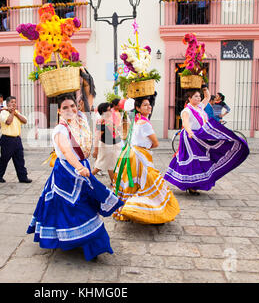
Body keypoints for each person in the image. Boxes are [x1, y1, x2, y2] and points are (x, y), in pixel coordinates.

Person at [27, 94, 124, 261]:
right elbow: (65, 150)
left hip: (81, 169)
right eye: (65, 107)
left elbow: (85, 104)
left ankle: (80, 240)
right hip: (67, 172)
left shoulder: (78, 122)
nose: (70, 110)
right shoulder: (60, 129)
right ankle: (89, 242)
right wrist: (79, 167)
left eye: (72, 106)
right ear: (58, 111)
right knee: (74, 207)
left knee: (80, 204)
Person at [164, 88, 249, 195]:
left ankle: (193, 184)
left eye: (199, 96)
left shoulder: (200, 107)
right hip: (190, 137)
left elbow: (207, 97)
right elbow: (185, 123)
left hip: (200, 136)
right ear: (189, 98)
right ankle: (192, 186)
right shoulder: (186, 111)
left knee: (204, 158)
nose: (198, 98)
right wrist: (190, 132)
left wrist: (204, 88)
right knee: (194, 160)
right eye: (195, 96)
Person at [112, 96, 180, 224]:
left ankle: (126, 209)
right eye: (145, 105)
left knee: (132, 184)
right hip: (140, 157)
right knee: (148, 182)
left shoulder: (136, 121)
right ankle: (151, 210)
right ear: (138, 108)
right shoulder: (144, 123)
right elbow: (155, 143)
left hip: (131, 155)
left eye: (149, 104)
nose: (149, 107)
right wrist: (146, 148)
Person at [0, 96, 32, 183]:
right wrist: (11, 113)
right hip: (7, 139)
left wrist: (15, 113)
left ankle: (23, 177)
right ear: (7, 104)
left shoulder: (17, 112)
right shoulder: (3, 112)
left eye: (15, 102)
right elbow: (8, 122)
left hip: (17, 139)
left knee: (20, 159)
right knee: (4, 159)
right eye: (11, 102)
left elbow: (25, 121)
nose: (14, 103)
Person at [92, 103, 122, 187]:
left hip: (113, 145)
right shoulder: (102, 121)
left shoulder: (109, 119)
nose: (111, 111)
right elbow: (97, 136)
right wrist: (95, 150)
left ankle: (113, 183)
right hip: (106, 146)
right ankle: (87, 178)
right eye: (108, 110)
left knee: (111, 165)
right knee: (99, 166)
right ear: (103, 112)